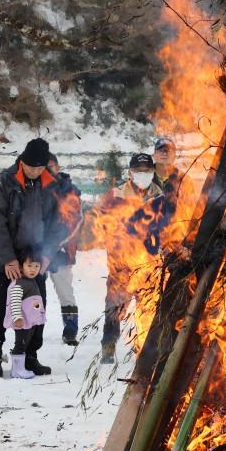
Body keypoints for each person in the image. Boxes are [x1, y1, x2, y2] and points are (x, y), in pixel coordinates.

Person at [0, 138, 68, 377]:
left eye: (40, 167)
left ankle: (29, 355)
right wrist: (8, 259)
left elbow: (59, 223)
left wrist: (48, 254)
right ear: (22, 161)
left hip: (35, 258)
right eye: (32, 167)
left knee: (35, 307)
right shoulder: (3, 182)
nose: (36, 171)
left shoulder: (52, 185)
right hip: (2, 258)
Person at [100, 152, 164, 363]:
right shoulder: (117, 195)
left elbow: (167, 228)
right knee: (115, 305)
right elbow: (104, 226)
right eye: (138, 171)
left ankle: (145, 348)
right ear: (130, 172)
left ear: (153, 172)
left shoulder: (160, 197)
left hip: (149, 262)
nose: (142, 175)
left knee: (148, 306)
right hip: (122, 262)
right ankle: (108, 347)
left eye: (147, 171)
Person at [46, 154, 83, 346]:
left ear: (58, 168)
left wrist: (55, 244)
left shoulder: (69, 191)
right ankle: (32, 326)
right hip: (36, 250)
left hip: (61, 249)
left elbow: (74, 222)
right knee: (32, 291)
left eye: (50, 166)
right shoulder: (33, 187)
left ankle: (70, 329)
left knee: (65, 291)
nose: (47, 169)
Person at [5, 258, 48, 379]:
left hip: (30, 321)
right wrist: (17, 317)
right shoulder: (19, 283)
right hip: (22, 322)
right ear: (21, 267)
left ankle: (20, 368)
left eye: (36, 266)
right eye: (29, 266)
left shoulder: (31, 281)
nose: (33, 269)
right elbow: (15, 301)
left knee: (25, 343)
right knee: (21, 344)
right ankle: (17, 370)